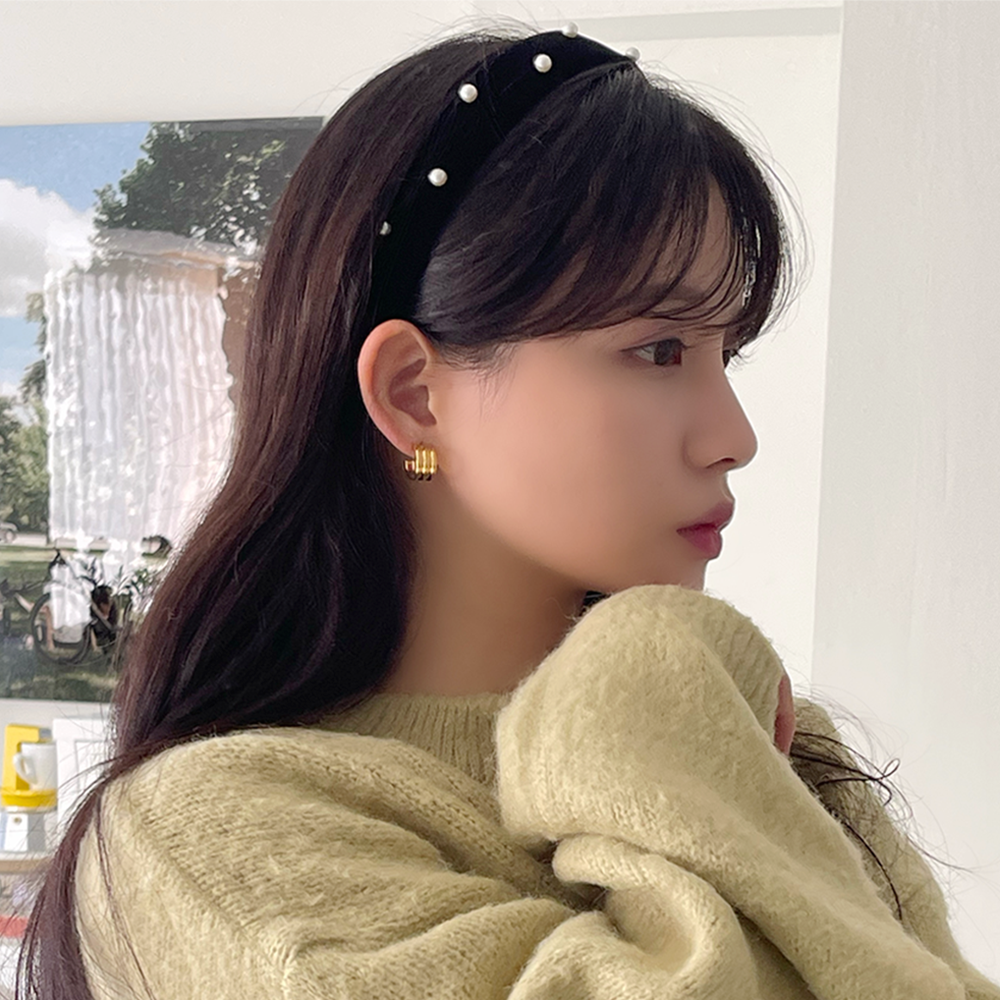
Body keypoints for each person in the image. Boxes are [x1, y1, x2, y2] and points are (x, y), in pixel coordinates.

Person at [18, 24, 1000, 1000]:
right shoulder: (207, 833)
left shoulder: (759, 736)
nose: (732, 435)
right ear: (414, 394)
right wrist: (648, 706)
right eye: (659, 350)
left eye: (723, 353)